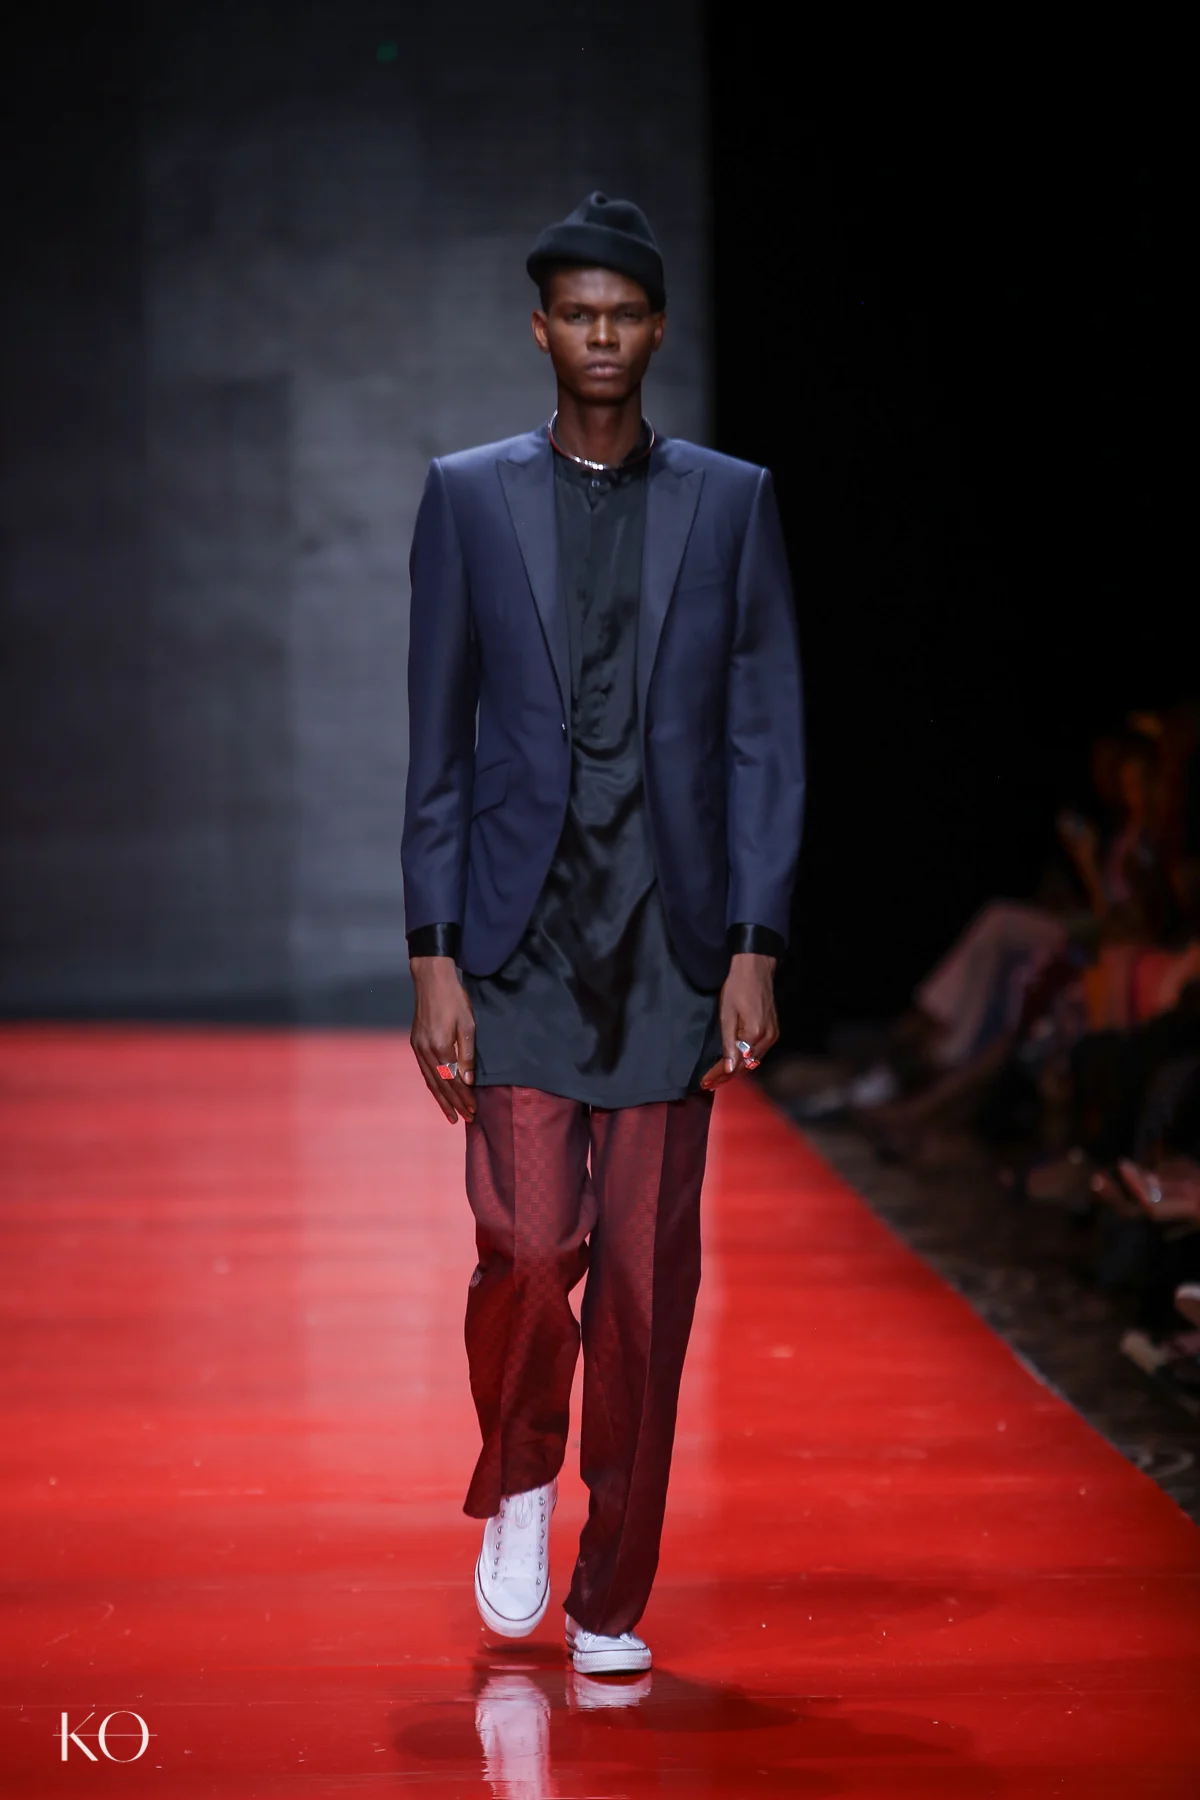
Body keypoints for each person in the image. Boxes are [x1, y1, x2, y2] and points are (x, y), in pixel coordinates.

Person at [401, 192, 804, 1675]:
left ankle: (610, 1591)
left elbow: (764, 735)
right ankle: (520, 1476)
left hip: (669, 946)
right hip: (516, 941)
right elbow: (436, 740)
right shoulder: (466, 497)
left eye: (625, 314)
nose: (603, 337)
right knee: (526, 1248)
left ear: (657, 329)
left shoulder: (732, 502)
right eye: (578, 314)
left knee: (642, 1288)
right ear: (541, 329)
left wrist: (755, 940)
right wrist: (432, 951)